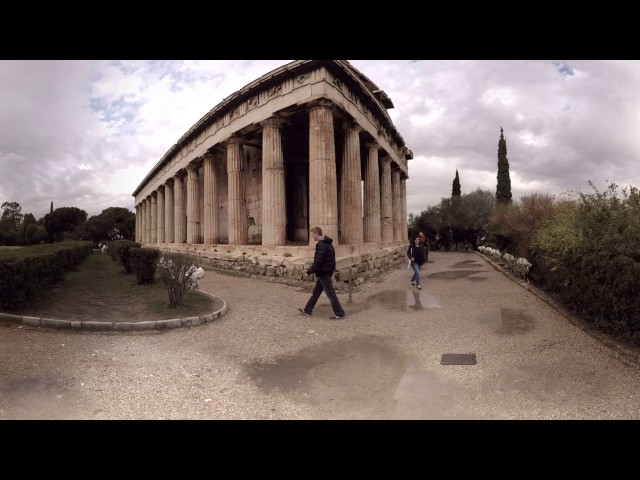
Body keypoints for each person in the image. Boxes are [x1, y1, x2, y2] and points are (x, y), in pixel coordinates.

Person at [298, 226, 346, 320]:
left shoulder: (322, 245)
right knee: (316, 293)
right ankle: (308, 310)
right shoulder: (327, 244)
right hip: (324, 272)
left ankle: (340, 313)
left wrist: (309, 271)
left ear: (316, 233)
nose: (312, 237)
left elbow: (318, 261)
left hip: (324, 273)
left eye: (312, 234)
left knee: (330, 294)